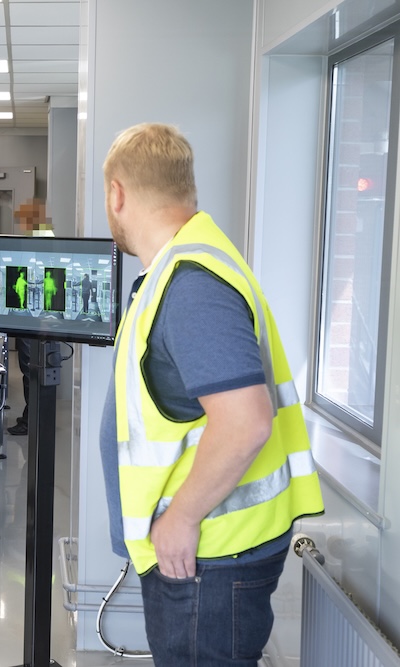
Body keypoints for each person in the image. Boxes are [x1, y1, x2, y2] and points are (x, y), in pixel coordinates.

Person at [99, 123, 323, 664]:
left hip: (208, 556)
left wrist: (181, 519)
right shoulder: (182, 266)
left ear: (117, 194)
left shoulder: (191, 285)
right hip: (207, 554)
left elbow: (246, 422)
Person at [9, 198, 54, 437]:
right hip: (35, 315)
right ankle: (33, 417)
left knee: (31, 369)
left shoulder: (40, 240)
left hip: (33, 317)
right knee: (32, 369)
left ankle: (32, 421)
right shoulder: (42, 237)